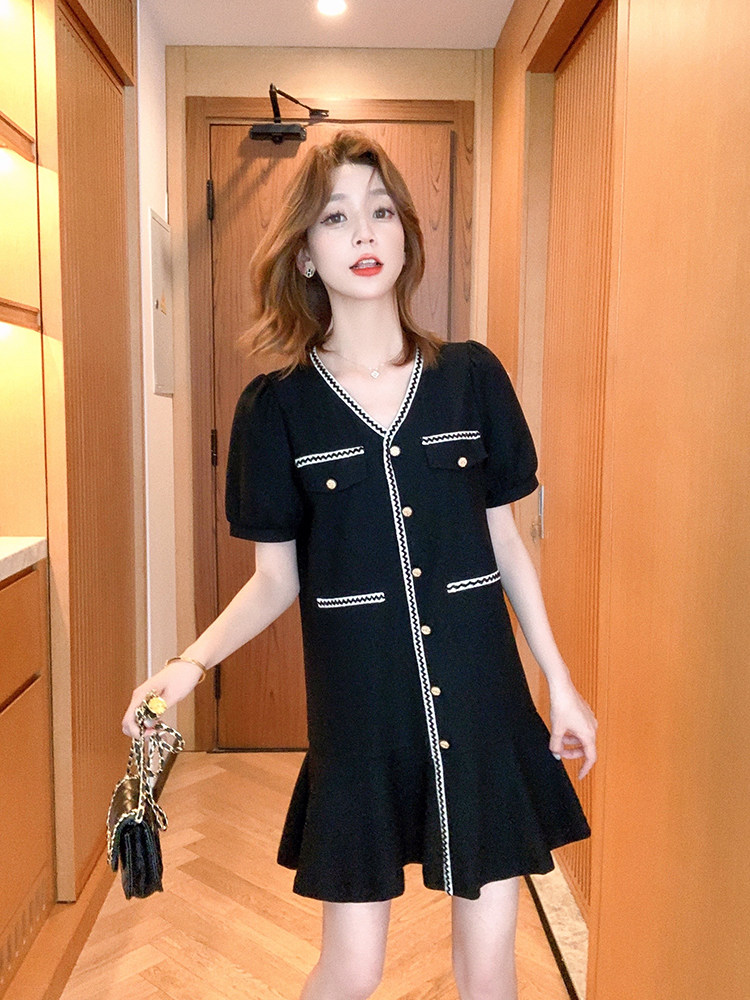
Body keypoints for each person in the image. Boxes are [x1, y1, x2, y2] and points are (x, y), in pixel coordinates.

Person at [122, 129, 597, 1000]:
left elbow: (505, 541)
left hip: (483, 701)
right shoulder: (277, 410)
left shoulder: (472, 379)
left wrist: (558, 684)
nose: (365, 232)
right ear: (305, 253)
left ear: (407, 235)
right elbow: (276, 579)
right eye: (337, 218)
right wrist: (188, 665)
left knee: (490, 962)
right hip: (360, 714)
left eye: (381, 211)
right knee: (352, 967)